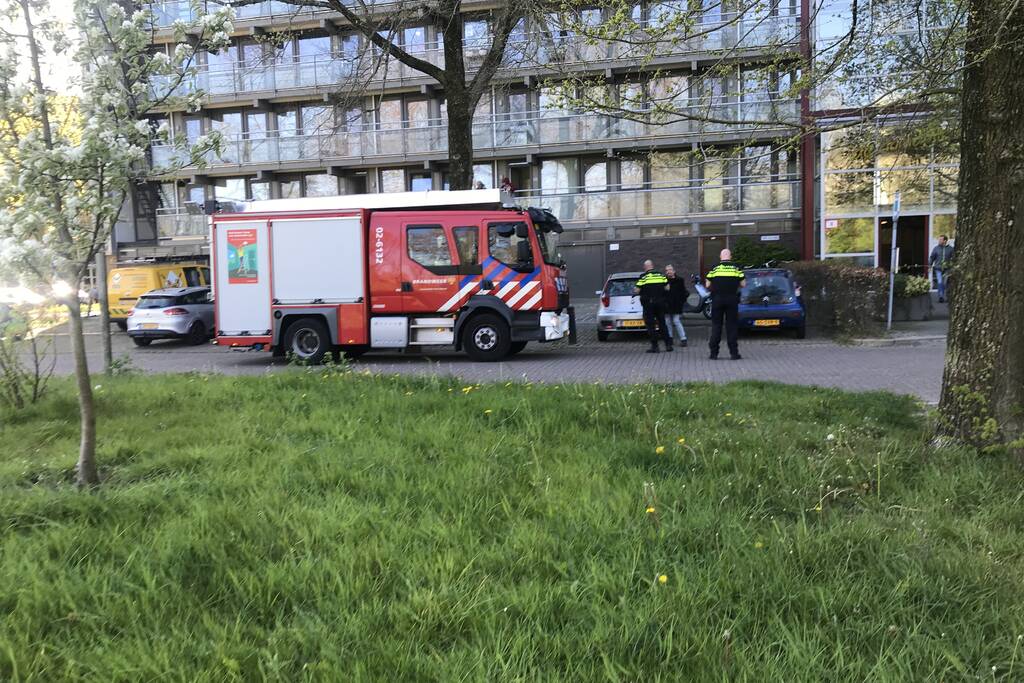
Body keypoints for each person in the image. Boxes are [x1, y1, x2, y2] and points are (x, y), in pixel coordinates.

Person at [705, 249, 745, 360]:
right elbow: (743, 284)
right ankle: (734, 353)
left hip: (717, 299)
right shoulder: (736, 267)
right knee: (731, 326)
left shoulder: (714, 267)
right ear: (730, 256)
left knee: (716, 326)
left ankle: (713, 354)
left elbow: (707, 284)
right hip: (732, 299)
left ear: (720, 256)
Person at [634, 259, 672, 353]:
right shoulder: (661, 275)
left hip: (648, 305)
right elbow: (667, 288)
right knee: (662, 324)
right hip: (660, 303)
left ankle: (655, 347)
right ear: (652, 266)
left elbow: (637, 291)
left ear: (645, 267)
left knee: (651, 325)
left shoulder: (643, 277)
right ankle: (668, 345)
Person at [663, 264, 688, 347]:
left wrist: (681, 301)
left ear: (674, 271)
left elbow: (683, 292)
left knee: (676, 321)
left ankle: (683, 339)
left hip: (676, 304)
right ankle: (670, 339)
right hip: (667, 305)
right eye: (667, 270)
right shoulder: (664, 281)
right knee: (668, 322)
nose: (668, 272)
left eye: (670, 270)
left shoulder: (680, 280)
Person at [929, 234, 954, 303]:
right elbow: (932, 257)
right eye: (939, 239)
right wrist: (930, 265)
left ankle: (947, 296)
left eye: (940, 239)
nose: (939, 241)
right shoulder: (936, 248)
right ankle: (941, 296)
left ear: (945, 241)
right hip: (938, 269)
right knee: (940, 282)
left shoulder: (950, 249)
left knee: (945, 283)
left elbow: (954, 258)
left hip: (947, 269)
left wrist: (953, 266)